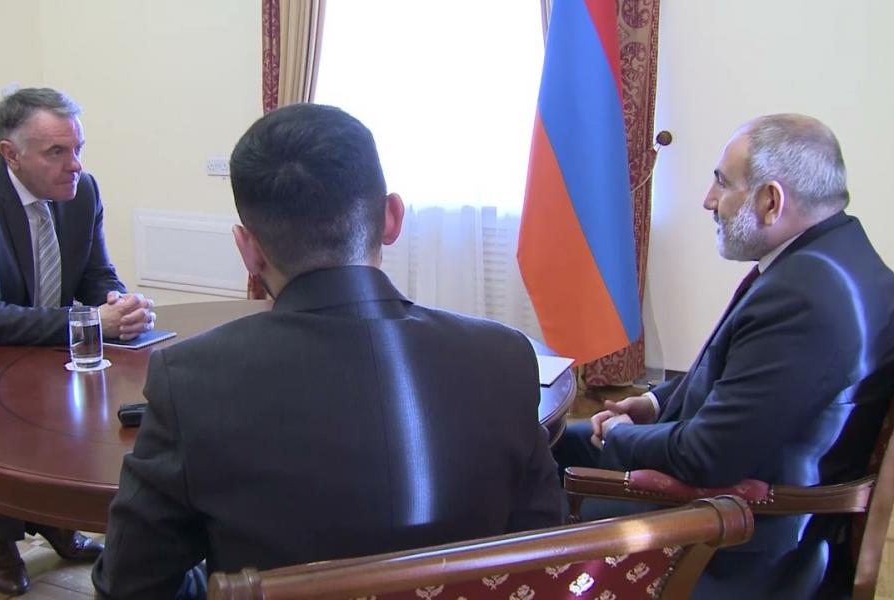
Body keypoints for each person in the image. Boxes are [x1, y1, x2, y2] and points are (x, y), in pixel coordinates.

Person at [91, 103, 563, 599]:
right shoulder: (503, 357)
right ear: (391, 218)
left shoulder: (189, 379)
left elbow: (131, 585)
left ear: (248, 249)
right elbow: (545, 553)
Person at [554, 114, 894, 598]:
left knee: (539, 478)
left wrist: (620, 435)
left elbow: (706, 457)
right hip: (753, 488)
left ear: (770, 201)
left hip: (742, 542)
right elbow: (735, 369)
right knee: (543, 442)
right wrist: (655, 403)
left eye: (722, 182)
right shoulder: (837, 255)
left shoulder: (805, 298)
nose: (709, 199)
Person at [0, 88, 155, 596]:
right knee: (20, 418)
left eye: (78, 148)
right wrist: (93, 321)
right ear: (10, 154)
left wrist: (120, 303)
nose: (74, 164)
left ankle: (55, 518)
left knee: (96, 402)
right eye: (56, 152)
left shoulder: (83, 190)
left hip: (38, 343)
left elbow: (96, 274)